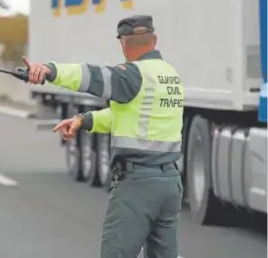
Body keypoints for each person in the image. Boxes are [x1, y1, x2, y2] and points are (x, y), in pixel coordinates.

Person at [23, 15, 185, 258]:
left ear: (123, 43)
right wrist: (84, 120)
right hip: (170, 183)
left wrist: (50, 71)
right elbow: (130, 116)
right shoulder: (169, 74)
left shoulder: (132, 75)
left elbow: (92, 77)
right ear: (155, 40)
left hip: (138, 184)